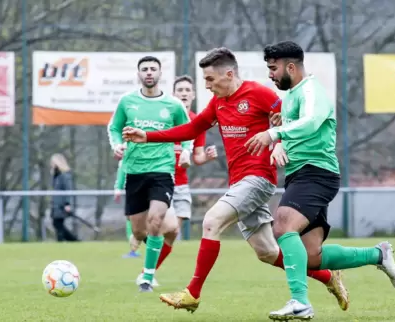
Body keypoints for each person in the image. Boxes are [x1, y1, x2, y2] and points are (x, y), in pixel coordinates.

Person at [123, 47, 349, 312]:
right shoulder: (218, 103)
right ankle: (327, 276)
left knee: (211, 221)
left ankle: (192, 293)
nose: (206, 85)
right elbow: (192, 129)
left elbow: (289, 119)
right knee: (267, 252)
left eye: (209, 79)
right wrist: (147, 136)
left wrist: (279, 140)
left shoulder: (259, 93)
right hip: (239, 183)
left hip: (258, 179)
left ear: (228, 74)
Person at [245, 41, 395, 320]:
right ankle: (378, 255)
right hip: (301, 174)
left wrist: (274, 135)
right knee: (312, 256)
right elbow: (293, 127)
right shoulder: (293, 94)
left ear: (290, 67)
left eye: (273, 68)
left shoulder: (311, 90)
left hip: (316, 172)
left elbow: (312, 121)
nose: (269, 74)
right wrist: (279, 138)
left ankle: (300, 302)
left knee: (282, 226)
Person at [108, 55, 192, 292]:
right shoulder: (127, 102)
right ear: (138, 74)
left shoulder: (173, 105)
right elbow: (114, 127)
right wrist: (116, 144)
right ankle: (150, 250)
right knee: (138, 230)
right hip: (135, 170)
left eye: (153, 69)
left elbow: (187, 130)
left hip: (162, 170)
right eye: (144, 69)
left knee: (156, 220)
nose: (148, 73)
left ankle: (147, 275)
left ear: (159, 74)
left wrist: (186, 151)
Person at [171, 75, 218, 240]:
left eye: (187, 90)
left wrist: (207, 156)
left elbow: (197, 157)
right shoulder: (165, 118)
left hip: (181, 183)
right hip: (160, 179)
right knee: (160, 226)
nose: (184, 93)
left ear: (193, 95)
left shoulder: (198, 122)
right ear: (173, 94)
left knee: (173, 230)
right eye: (180, 90)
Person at [113, 160, 141, 259]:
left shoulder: (128, 156)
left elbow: (122, 171)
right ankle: (135, 249)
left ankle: (134, 249)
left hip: (134, 190)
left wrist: (118, 188)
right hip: (141, 188)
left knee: (132, 220)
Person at [50, 153, 79, 242]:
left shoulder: (64, 176)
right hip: (56, 205)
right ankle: (73, 241)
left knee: (58, 224)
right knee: (57, 224)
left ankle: (69, 241)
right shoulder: (56, 176)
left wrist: (67, 204)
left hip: (61, 205)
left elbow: (68, 190)